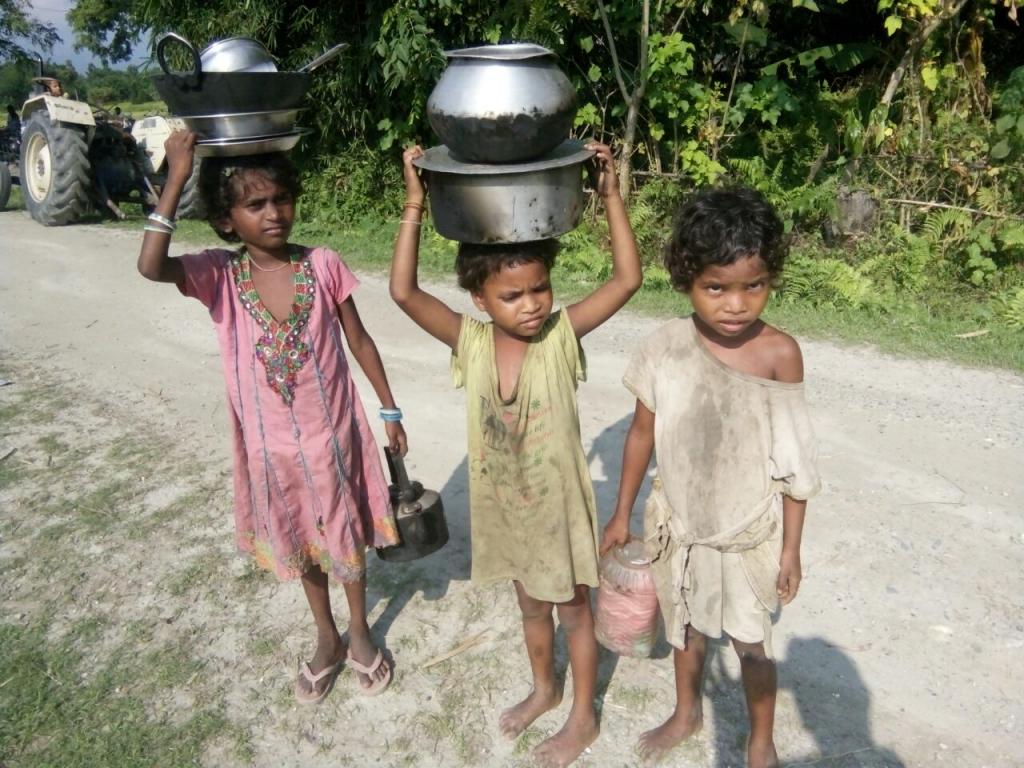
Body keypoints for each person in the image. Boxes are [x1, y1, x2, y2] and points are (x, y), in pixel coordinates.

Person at [390, 142, 642, 767]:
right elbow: (403, 292)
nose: (531, 304)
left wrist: (609, 194)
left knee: (573, 611)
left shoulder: (559, 337)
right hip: (504, 506)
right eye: (512, 296)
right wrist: (416, 201)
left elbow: (627, 280)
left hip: (556, 509)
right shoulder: (470, 342)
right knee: (530, 605)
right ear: (480, 300)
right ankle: (544, 688)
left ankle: (583, 717)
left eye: (540, 288)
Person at [137, 130, 405, 704]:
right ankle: (327, 636)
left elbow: (359, 340)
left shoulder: (323, 265)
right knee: (302, 539)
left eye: (281, 199)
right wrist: (177, 176)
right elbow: (151, 265)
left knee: (343, 532)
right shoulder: (219, 276)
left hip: (333, 439)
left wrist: (389, 409)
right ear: (226, 219)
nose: (273, 213)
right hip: (272, 450)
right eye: (255, 204)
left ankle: (360, 630)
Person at [600, 187, 820, 767]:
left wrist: (791, 550)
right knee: (686, 628)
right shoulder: (664, 348)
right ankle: (686, 712)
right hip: (681, 527)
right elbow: (641, 435)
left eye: (754, 286)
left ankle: (760, 739)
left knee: (752, 645)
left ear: (771, 279)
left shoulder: (779, 354)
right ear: (686, 280)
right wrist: (621, 513)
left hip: (745, 535)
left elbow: (795, 463)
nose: (736, 304)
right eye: (716, 287)